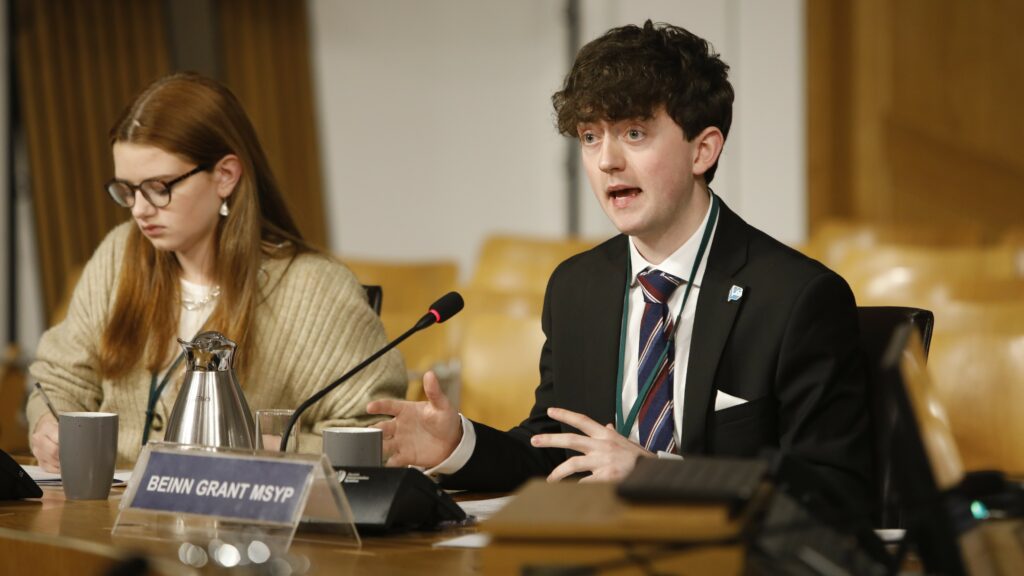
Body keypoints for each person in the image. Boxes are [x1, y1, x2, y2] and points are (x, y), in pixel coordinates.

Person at [368, 21, 870, 506]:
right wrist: (458, 443)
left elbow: (834, 489)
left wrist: (656, 474)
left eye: (633, 133)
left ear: (703, 150)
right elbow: (555, 451)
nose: (606, 160)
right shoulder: (578, 286)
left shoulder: (796, 298)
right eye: (590, 137)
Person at [28, 73, 406, 471]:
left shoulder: (316, 289)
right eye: (127, 190)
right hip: (108, 519)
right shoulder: (117, 256)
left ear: (225, 175)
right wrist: (47, 422)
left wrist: (265, 446)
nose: (139, 209)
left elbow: (376, 434)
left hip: (248, 525)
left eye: (158, 187)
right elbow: (57, 383)